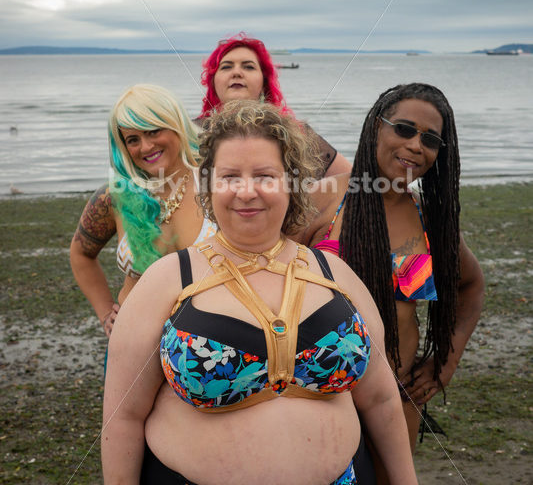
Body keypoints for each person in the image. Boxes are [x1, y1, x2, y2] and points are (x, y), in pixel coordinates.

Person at [102, 101, 418, 485]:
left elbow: (382, 401)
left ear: (292, 183)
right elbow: (122, 419)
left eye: (265, 176)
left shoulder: (335, 275)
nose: (246, 192)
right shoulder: (166, 280)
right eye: (230, 176)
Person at [298, 83, 484, 482]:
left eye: (431, 139)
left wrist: (444, 363)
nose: (417, 145)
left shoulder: (430, 219)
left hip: (397, 398)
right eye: (404, 129)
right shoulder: (324, 199)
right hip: (318, 391)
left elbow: (471, 287)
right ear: (375, 127)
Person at [69, 84, 216, 338]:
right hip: (132, 340)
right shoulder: (117, 195)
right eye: (132, 140)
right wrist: (106, 313)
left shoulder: (215, 184)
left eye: (153, 131)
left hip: (204, 349)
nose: (146, 147)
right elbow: (80, 253)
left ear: (176, 123)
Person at [195, 32, 352, 178]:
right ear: (213, 82)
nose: (237, 72)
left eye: (248, 66)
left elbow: (352, 180)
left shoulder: (299, 135)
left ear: (264, 82)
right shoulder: (189, 133)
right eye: (226, 67)